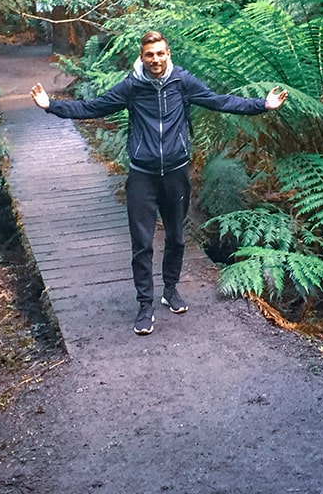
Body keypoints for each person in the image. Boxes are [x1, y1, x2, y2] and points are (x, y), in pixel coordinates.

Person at [31, 30, 287, 335]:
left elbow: (220, 101)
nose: (155, 59)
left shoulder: (182, 83)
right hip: (142, 175)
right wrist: (50, 105)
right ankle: (144, 305)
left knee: (177, 238)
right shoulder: (132, 87)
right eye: (149, 54)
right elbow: (92, 108)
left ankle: (171, 290)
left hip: (176, 173)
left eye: (160, 53)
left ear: (168, 54)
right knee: (142, 244)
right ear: (142, 57)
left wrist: (263, 104)